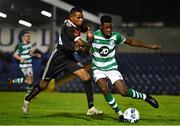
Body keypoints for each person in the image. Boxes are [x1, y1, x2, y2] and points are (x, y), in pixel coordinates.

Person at [22, 7, 103, 116]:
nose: (81, 20)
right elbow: (80, 42)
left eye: (82, 17)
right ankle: (27, 99)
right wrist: (93, 46)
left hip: (69, 57)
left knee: (87, 78)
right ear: (71, 17)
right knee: (43, 84)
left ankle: (91, 108)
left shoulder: (76, 24)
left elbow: (84, 28)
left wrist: (88, 31)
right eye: (78, 18)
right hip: (58, 57)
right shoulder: (68, 27)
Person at [91, 15, 160, 121]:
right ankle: (120, 114)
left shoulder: (116, 36)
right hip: (98, 68)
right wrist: (85, 49)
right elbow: (84, 45)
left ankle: (145, 97)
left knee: (123, 92)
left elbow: (131, 42)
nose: (109, 30)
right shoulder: (93, 36)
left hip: (111, 68)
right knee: (104, 88)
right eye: (106, 28)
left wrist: (149, 46)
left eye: (110, 27)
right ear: (101, 26)